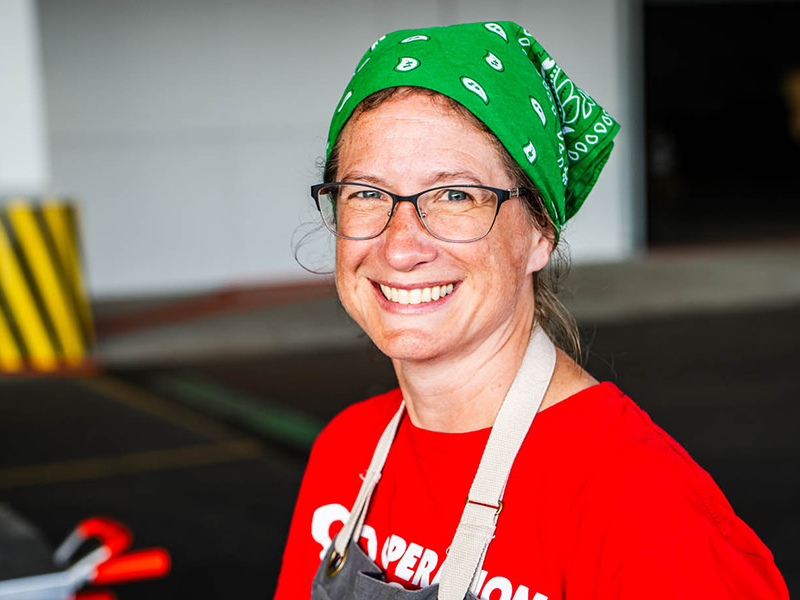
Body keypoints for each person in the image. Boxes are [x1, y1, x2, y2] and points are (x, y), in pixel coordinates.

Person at [274, 21, 788, 600]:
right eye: (367, 193)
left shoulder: (646, 513)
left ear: (540, 233)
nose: (400, 247)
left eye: (456, 195)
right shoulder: (345, 451)